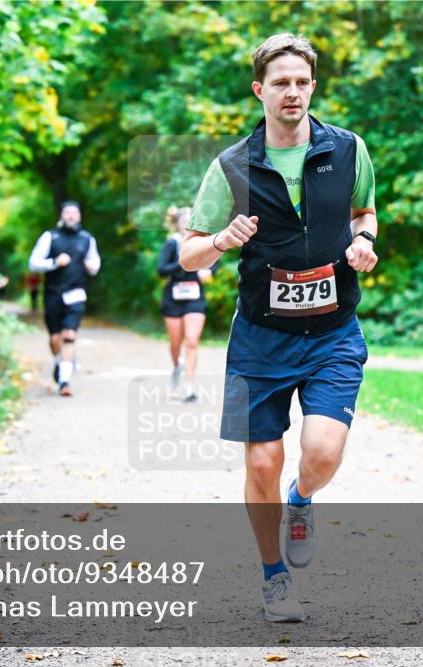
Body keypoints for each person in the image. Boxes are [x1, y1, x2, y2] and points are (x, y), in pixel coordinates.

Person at [179, 33, 378, 622]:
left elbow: (364, 210)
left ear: (313, 87)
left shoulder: (348, 150)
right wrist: (220, 239)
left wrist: (364, 239)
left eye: (301, 81)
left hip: (334, 331)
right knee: (261, 461)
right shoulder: (233, 166)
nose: (291, 91)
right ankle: (274, 579)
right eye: (280, 82)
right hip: (260, 337)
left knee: (320, 453)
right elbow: (190, 252)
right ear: (259, 90)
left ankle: (302, 501)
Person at [28, 201, 101, 397]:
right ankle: (60, 362)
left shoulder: (87, 239)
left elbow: (95, 262)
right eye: (67, 212)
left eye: (74, 213)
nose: (71, 216)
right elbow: (33, 263)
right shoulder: (50, 237)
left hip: (76, 294)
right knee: (55, 339)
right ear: (61, 215)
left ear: (79, 216)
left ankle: (64, 382)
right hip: (53, 294)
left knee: (69, 335)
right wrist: (53, 262)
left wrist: (91, 266)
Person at [157, 206, 216, 401]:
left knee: (191, 341)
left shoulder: (203, 242)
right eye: (184, 221)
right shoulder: (172, 243)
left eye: (192, 220)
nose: (188, 224)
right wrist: (185, 262)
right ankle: (177, 367)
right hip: (173, 297)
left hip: (194, 297)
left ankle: (189, 386)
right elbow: (161, 269)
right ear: (178, 223)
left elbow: (214, 261)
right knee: (175, 342)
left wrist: (209, 271)